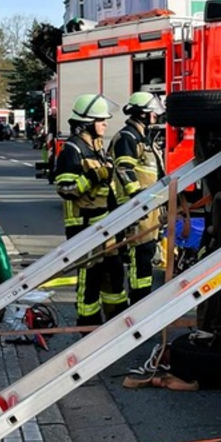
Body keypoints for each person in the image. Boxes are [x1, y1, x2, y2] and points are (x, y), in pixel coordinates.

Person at [52, 94, 127, 328]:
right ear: (86, 123)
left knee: (114, 276)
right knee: (89, 281)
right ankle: (88, 325)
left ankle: (116, 322)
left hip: (105, 228)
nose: (105, 124)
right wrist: (93, 176)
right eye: (100, 120)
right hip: (84, 228)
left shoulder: (97, 148)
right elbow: (66, 188)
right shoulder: (72, 150)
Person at [108, 92, 166, 304]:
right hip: (138, 209)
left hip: (150, 208)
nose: (156, 117)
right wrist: (137, 197)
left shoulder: (142, 138)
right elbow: (124, 168)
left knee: (147, 253)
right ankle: (139, 300)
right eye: (153, 113)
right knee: (140, 255)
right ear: (143, 114)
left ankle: (143, 297)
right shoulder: (127, 137)